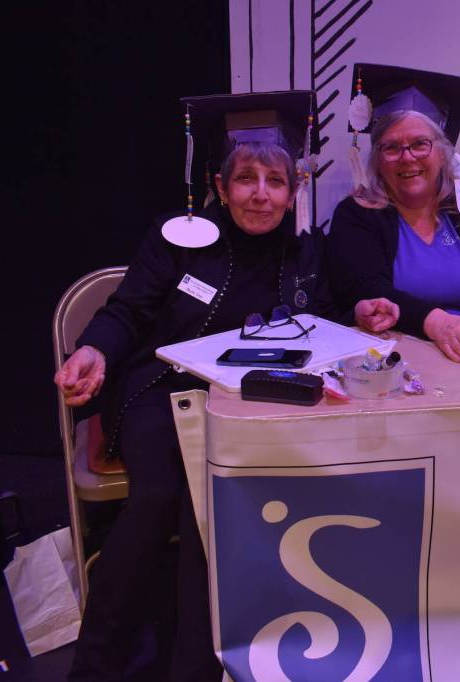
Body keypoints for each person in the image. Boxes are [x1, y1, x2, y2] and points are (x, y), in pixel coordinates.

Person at [54, 92, 393, 681]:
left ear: (294, 190)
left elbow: (333, 318)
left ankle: (195, 666)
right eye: (245, 179)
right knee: (163, 497)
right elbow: (127, 311)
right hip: (168, 393)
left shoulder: (309, 247)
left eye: (275, 181)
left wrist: (362, 316)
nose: (261, 194)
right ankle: (94, 664)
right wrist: (93, 348)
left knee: (218, 505)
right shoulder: (179, 238)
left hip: (265, 400)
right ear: (219, 184)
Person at [328, 64, 460, 364]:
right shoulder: (356, 215)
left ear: (443, 151)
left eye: (420, 144)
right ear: (378, 160)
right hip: (392, 364)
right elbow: (368, 289)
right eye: (391, 147)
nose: (407, 157)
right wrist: (438, 323)